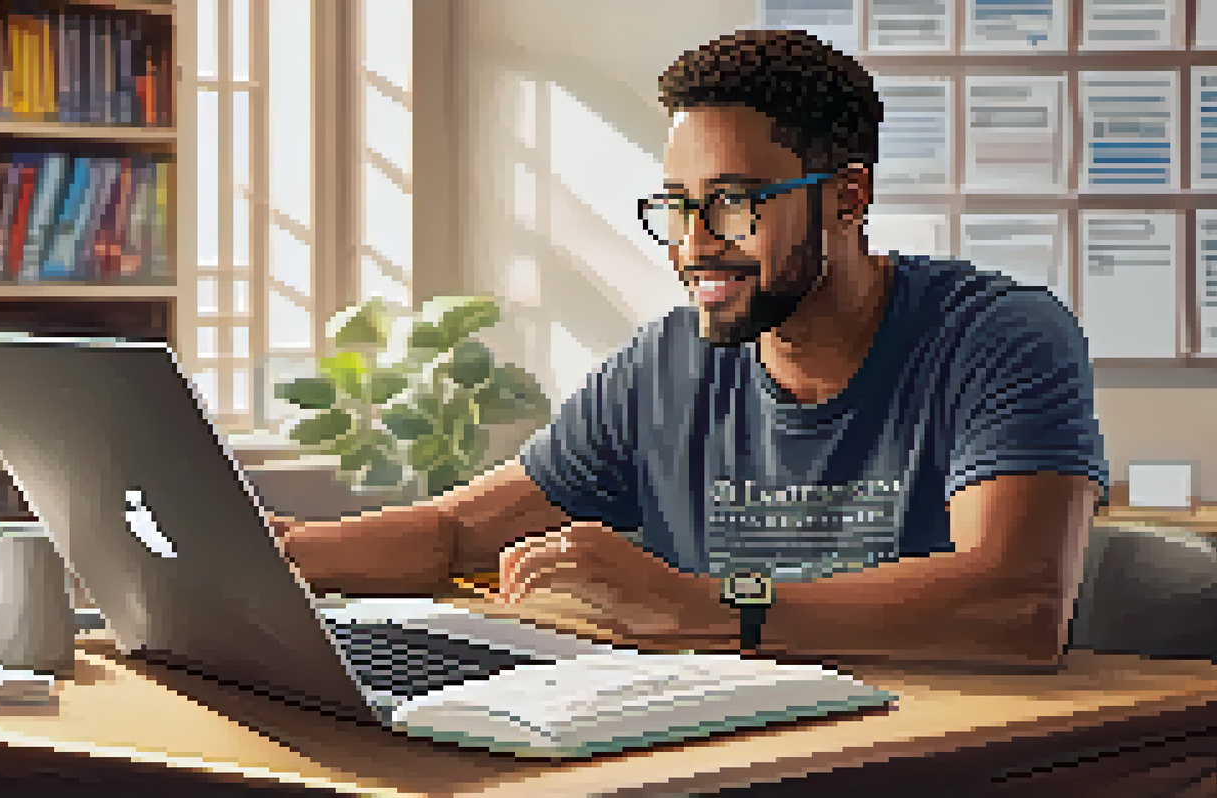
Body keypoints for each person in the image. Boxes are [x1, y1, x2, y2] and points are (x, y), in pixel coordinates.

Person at [271, 30, 1109, 667]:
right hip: (721, 752)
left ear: (848, 198)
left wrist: (708, 605)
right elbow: (458, 534)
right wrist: (280, 549)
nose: (692, 243)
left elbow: (1016, 603)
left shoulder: (997, 336)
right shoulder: (666, 364)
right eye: (675, 206)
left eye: (734, 203)